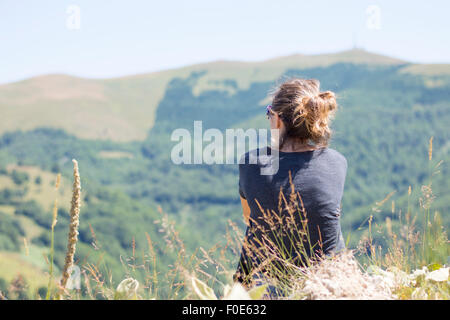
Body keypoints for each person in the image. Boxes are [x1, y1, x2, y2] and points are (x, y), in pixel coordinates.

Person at [234, 78, 347, 298]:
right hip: (330, 281)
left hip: (270, 285)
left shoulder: (252, 162)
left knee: (255, 232)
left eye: (269, 114)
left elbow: (249, 218)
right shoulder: (336, 162)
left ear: (276, 120)